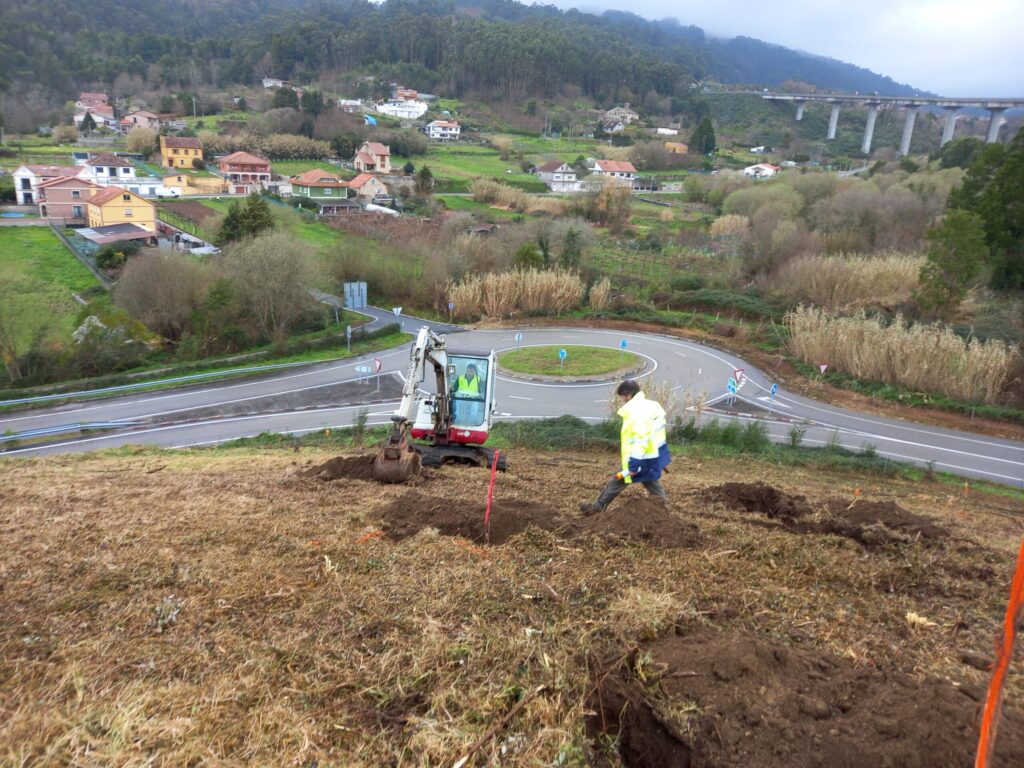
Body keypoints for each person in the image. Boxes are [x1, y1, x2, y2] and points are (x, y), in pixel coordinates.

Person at [580, 379, 670, 514]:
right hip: (651, 455)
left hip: (638, 458)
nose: (621, 400)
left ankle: (596, 508)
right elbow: (658, 431)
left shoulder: (636, 413)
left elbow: (640, 438)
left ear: (628, 395)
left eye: (622, 397)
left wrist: (634, 464)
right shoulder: (653, 406)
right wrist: (659, 455)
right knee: (652, 483)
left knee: (617, 480)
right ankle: (663, 512)